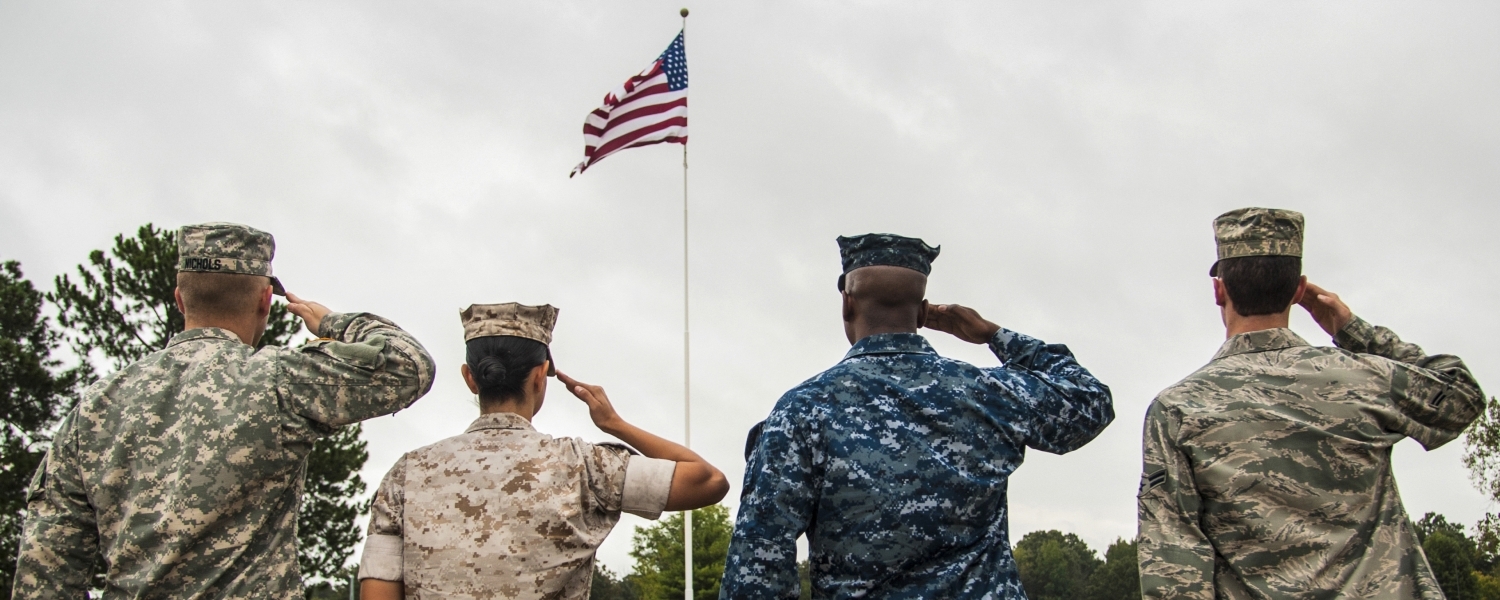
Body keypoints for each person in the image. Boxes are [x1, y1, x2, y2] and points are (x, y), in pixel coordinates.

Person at [14, 222, 437, 598]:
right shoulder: (277, 380)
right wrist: (331, 323)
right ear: (265, 301)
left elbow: (46, 571)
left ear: (180, 300)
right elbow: (409, 365)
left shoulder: (96, 405)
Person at [721, 233, 1116, 599]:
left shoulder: (801, 411)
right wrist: (995, 334)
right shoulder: (987, 391)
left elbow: (760, 559)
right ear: (924, 311)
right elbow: (1089, 403)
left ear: (847, 302)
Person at [1137, 208, 1486, 598]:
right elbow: (1462, 397)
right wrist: (1353, 330)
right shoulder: (1364, 378)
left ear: (1220, 290)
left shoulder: (1178, 409)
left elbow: (1174, 565)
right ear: (1299, 291)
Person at [357, 302, 730, 600]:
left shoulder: (407, 474)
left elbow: (378, 592)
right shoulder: (585, 466)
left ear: (470, 378)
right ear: (540, 375)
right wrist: (614, 423)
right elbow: (708, 481)